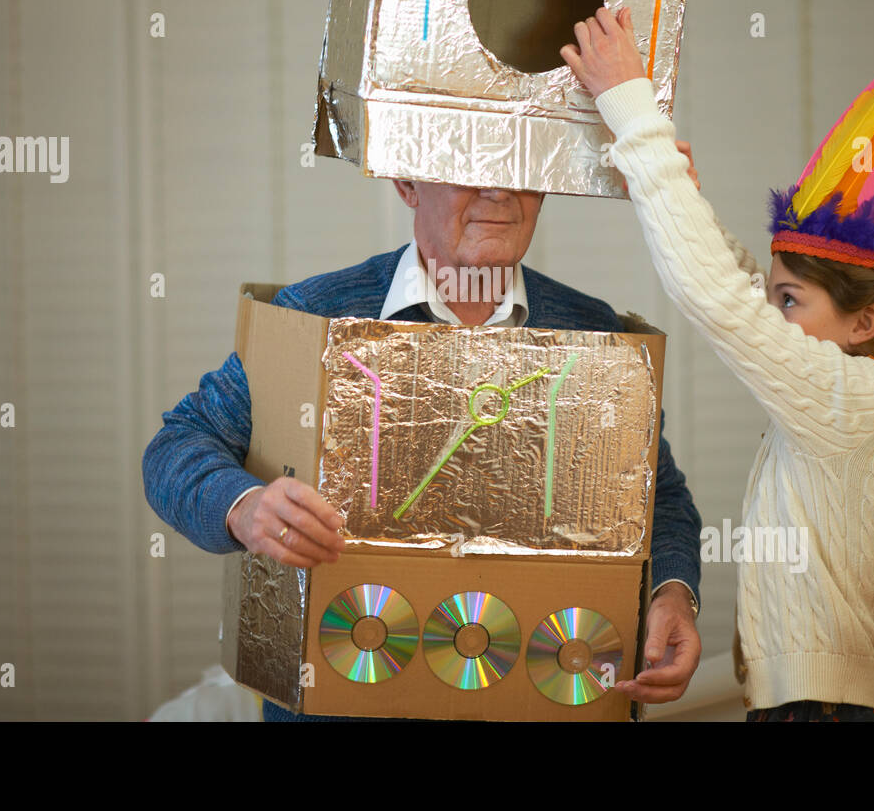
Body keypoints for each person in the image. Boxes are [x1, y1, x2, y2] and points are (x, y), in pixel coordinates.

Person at [561, 8, 874, 720]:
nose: (773, 318)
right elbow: (737, 287)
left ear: (865, 323)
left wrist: (633, 111)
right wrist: (669, 183)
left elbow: (720, 301)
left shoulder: (860, 402)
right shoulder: (864, 395)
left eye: (791, 300)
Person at [142, 175, 705, 721]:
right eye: (469, 167)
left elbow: (660, 498)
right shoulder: (313, 314)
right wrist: (245, 507)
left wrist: (674, 592)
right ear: (407, 184)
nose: (500, 191)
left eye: (523, 170)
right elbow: (177, 445)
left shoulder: (593, 331)